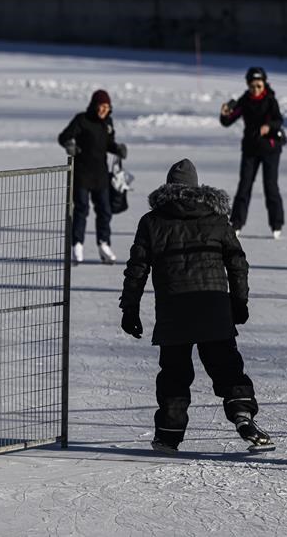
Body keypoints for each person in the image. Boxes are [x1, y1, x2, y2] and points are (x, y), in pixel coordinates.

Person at [119, 158, 273, 455]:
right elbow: (237, 262)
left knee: (174, 375)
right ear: (196, 186)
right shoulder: (217, 219)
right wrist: (239, 302)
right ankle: (242, 414)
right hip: (212, 305)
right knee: (227, 368)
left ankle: (167, 436)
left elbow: (137, 268)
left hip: (173, 311)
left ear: (168, 187)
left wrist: (130, 309)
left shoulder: (152, 222)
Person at [58, 89, 128, 264]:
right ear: (94, 105)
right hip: (82, 174)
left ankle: (103, 244)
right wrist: (69, 145)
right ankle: (77, 245)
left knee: (105, 211)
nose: (103, 110)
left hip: (101, 175)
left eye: (106, 107)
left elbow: (108, 144)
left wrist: (117, 148)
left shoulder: (108, 123)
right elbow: (64, 136)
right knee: (82, 209)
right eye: (101, 106)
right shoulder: (82, 120)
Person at [219, 66, 285, 239]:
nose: (255, 89)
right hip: (250, 149)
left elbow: (279, 120)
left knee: (270, 186)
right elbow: (229, 120)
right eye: (252, 86)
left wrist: (268, 126)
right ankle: (237, 223)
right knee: (244, 186)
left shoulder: (271, 100)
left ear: (264, 84)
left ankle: (276, 224)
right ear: (248, 85)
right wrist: (225, 114)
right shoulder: (245, 100)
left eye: (259, 85)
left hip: (270, 149)